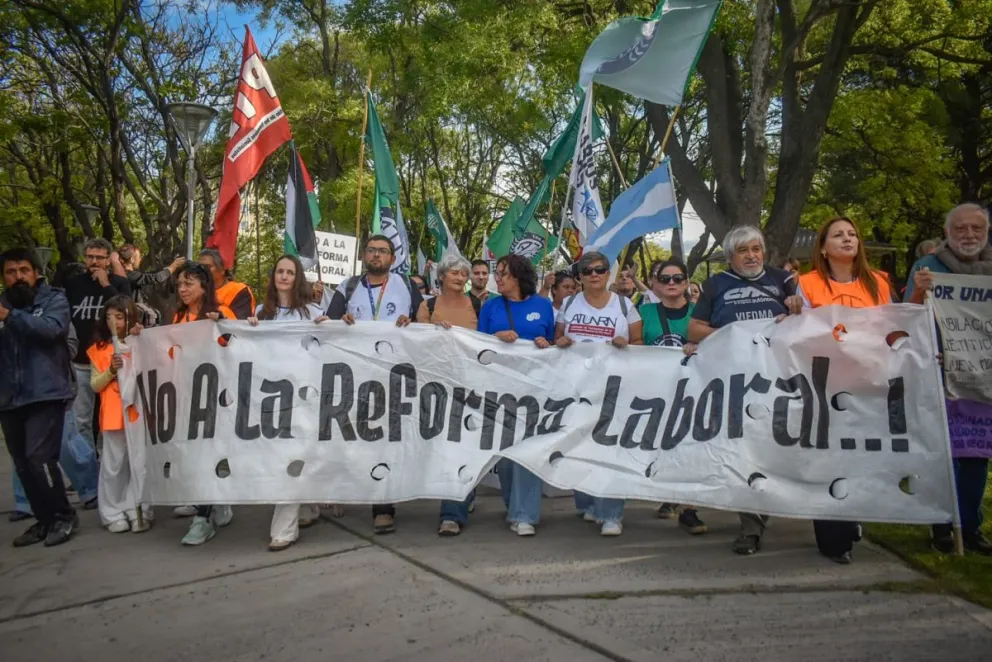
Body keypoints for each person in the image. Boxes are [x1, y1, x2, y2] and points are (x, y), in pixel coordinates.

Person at [688, 225, 802, 556]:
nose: (751, 255)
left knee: (775, 449)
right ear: (730, 257)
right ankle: (751, 528)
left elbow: (808, 320)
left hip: (778, 381)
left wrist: (797, 307)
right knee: (745, 452)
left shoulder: (783, 281)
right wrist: (731, 334)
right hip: (736, 382)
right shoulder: (715, 285)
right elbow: (694, 328)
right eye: (743, 251)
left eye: (756, 249)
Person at [795, 217, 893, 564]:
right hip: (824, 383)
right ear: (823, 247)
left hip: (868, 382)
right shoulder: (806, 284)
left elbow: (894, 327)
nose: (847, 238)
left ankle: (852, 516)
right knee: (829, 459)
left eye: (852, 234)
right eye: (838, 235)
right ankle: (833, 539)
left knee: (861, 458)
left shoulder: (879, 283)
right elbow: (799, 335)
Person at [905, 203, 992, 556]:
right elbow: (906, 317)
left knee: (977, 454)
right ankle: (943, 527)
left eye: (977, 229)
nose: (969, 235)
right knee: (942, 455)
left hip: (983, 377)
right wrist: (918, 292)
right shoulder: (927, 267)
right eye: (961, 229)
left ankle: (970, 527)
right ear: (947, 233)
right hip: (939, 376)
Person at [131, 261, 236, 544]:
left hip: (212, 397)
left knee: (205, 456)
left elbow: (235, 349)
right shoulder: (177, 317)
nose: (183, 289)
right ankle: (215, 502)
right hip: (183, 396)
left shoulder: (220, 314)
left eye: (189, 283)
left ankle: (202, 519)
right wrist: (144, 339)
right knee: (190, 456)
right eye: (179, 284)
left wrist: (220, 329)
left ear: (205, 286)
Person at [325, 235, 423, 534]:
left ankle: (383, 507)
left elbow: (426, 322)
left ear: (392, 259)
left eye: (383, 251)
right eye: (371, 250)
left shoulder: (405, 286)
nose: (377, 255)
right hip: (355, 373)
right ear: (364, 256)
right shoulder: (348, 287)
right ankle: (342, 491)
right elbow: (329, 323)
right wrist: (340, 319)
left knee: (384, 440)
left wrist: (413, 322)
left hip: (393, 374)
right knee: (349, 436)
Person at [554, 251, 642, 536]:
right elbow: (558, 338)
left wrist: (626, 344)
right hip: (577, 387)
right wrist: (562, 340)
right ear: (580, 277)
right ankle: (588, 502)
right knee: (580, 447)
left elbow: (639, 342)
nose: (594, 274)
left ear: (608, 274)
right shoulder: (568, 303)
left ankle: (612, 514)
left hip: (615, 387)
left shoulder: (624, 304)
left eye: (600, 269)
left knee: (610, 448)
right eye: (588, 270)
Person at [247, 255, 327, 551]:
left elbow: (323, 348)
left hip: (301, 396)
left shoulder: (311, 312)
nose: (283, 276)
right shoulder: (260, 312)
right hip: (268, 395)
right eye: (279, 271)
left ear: (298, 278)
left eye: (289, 272)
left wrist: (327, 327)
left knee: (291, 458)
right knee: (279, 458)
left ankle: (284, 529)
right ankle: (307, 506)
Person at [0, 248, 79, 547]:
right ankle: (43, 519)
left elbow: (51, 330)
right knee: (22, 464)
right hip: (9, 397)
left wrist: (11, 317)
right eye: (11, 272)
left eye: (23, 270)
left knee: (39, 458)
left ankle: (63, 515)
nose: (18, 277)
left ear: (35, 272)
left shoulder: (54, 300)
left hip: (45, 392)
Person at [478, 254, 555, 536]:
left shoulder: (544, 306)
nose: (497, 278)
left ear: (520, 277)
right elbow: (477, 346)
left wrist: (546, 343)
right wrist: (495, 337)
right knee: (508, 456)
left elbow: (555, 344)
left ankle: (526, 514)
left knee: (529, 452)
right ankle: (514, 506)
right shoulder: (491, 306)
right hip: (500, 390)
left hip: (536, 391)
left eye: (503, 273)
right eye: (496, 273)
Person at [638, 259, 707, 534]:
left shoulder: (700, 314)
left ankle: (689, 509)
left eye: (678, 278)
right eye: (664, 279)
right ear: (654, 283)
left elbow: (717, 341)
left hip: (694, 392)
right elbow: (634, 344)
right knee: (663, 446)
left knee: (691, 446)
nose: (671, 284)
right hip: (656, 392)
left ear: (687, 282)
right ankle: (668, 494)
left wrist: (700, 343)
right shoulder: (643, 312)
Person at [416, 254, 482, 536]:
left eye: (464, 274)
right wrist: (431, 332)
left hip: (471, 386)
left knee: (461, 447)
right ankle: (460, 497)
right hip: (436, 385)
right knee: (445, 448)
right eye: (454, 272)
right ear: (441, 276)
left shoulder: (479, 305)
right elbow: (415, 343)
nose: (460, 277)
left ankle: (452, 513)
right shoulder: (427, 305)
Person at [88, 295, 153, 534]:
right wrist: (110, 371)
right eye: (108, 317)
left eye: (119, 316)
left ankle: (139, 508)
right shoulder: (99, 350)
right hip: (113, 414)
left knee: (139, 462)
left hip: (138, 413)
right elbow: (95, 385)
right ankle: (112, 512)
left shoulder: (140, 342)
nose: (113, 322)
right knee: (114, 465)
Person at [64, 238, 132, 449]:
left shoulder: (119, 284)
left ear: (108, 261)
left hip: (111, 361)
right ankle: (88, 473)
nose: (94, 262)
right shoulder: (74, 284)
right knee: (82, 420)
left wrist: (106, 285)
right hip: (82, 361)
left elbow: (127, 312)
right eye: (90, 257)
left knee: (111, 420)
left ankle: (108, 470)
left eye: (99, 258)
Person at [111, 244, 186, 326]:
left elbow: (152, 276)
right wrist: (172, 267)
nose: (140, 259)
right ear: (132, 259)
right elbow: (155, 278)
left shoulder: (127, 275)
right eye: (138, 257)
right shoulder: (130, 275)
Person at [198, 248, 255, 319]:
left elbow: (241, 323)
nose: (202, 271)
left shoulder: (238, 290)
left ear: (222, 269)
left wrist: (220, 315)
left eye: (208, 267)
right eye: (200, 267)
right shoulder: (197, 292)